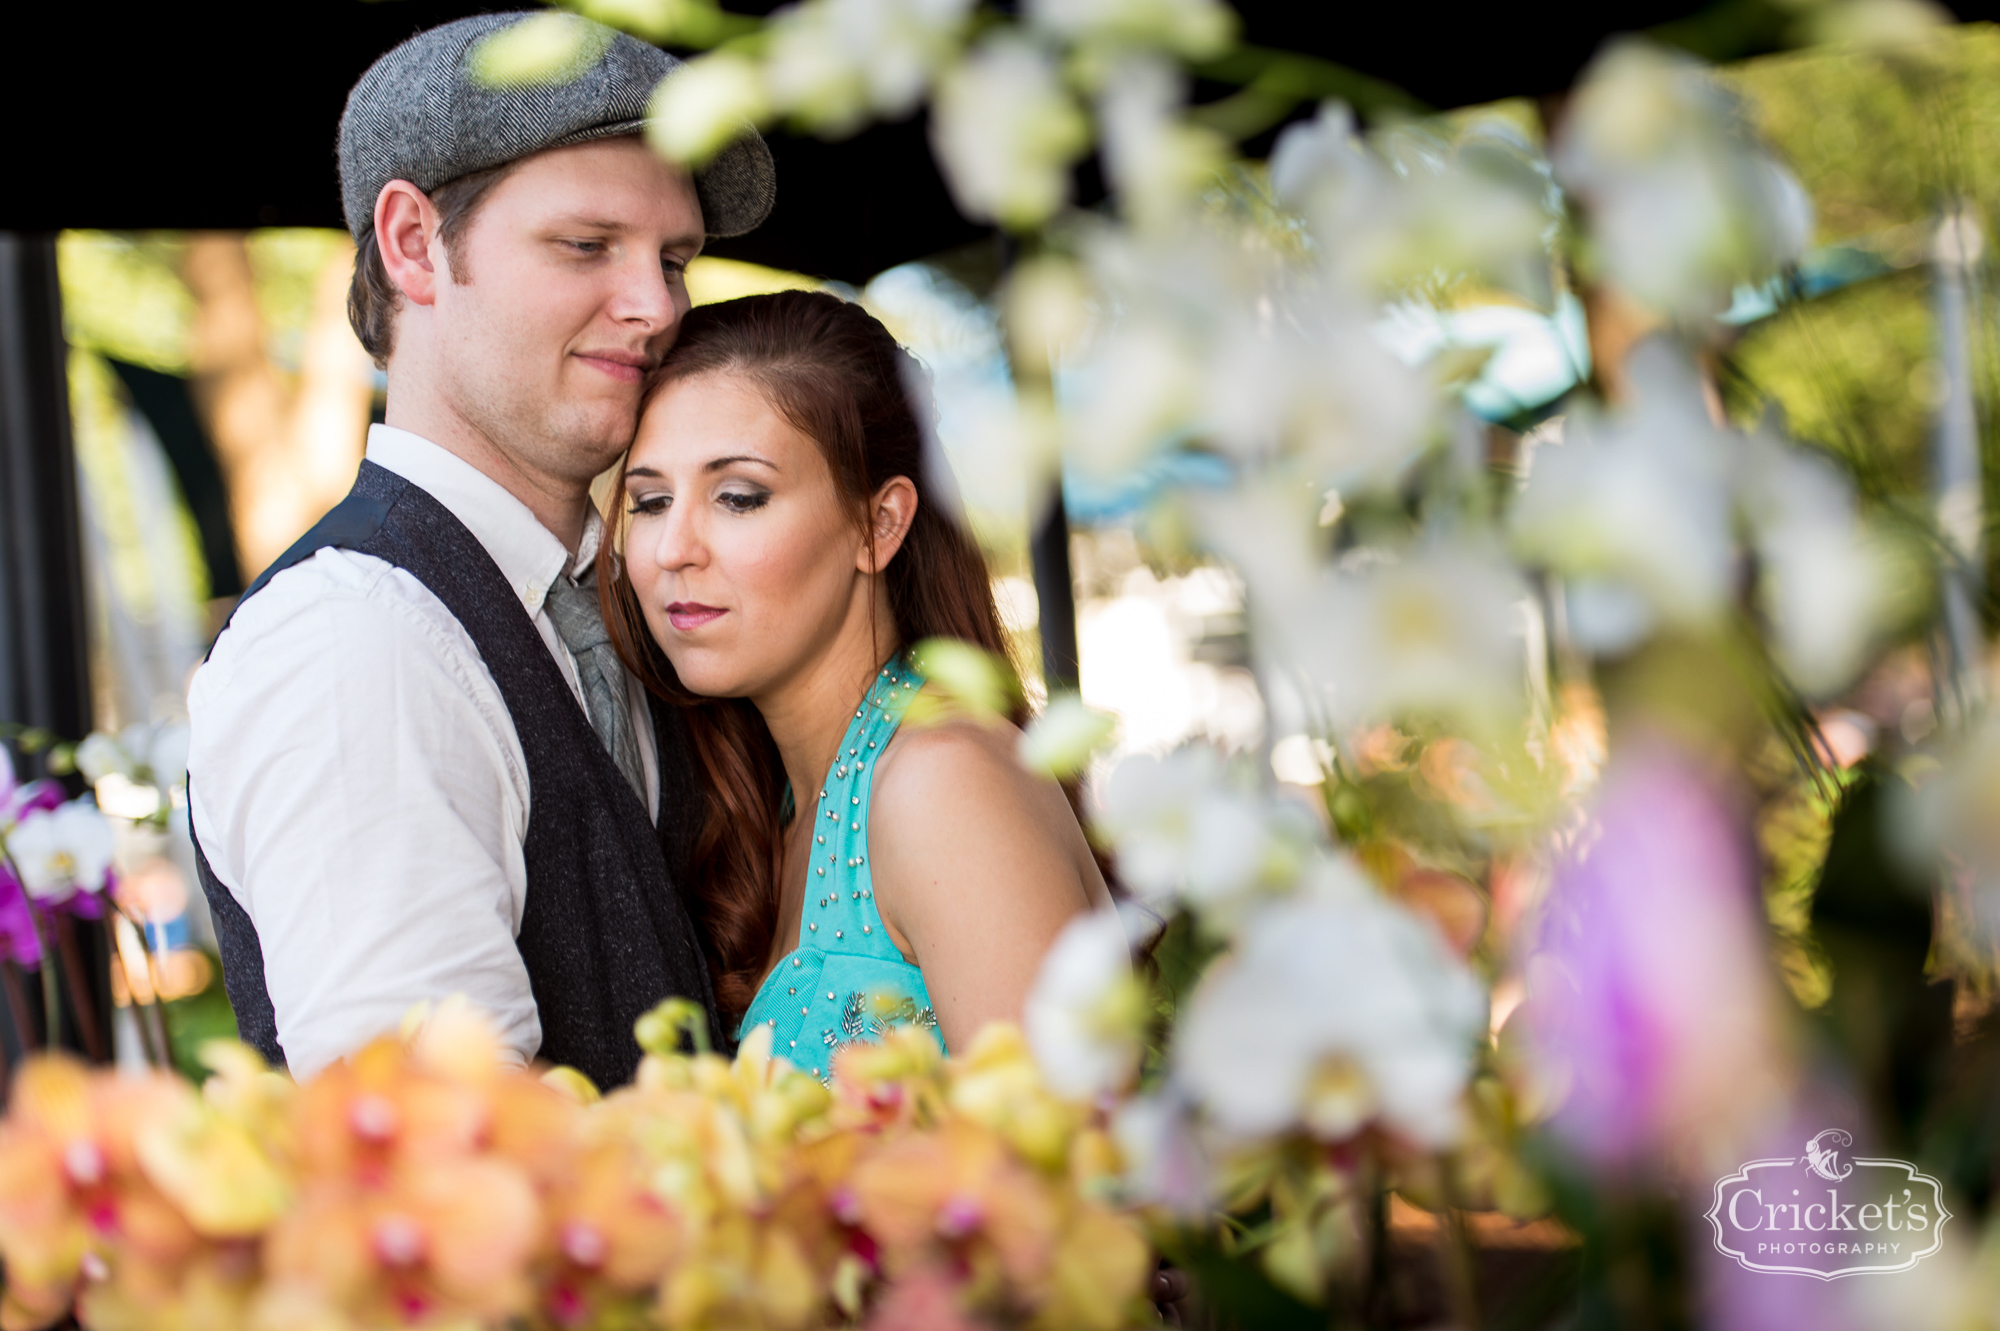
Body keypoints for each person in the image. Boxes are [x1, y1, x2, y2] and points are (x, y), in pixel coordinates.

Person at [187, 12, 776, 1090]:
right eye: (587, 245)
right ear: (414, 243)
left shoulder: (640, 605)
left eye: (676, 257)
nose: (657, 307)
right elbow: (450, 1146)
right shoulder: (352, 638)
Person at [600, 290, 1112, 1074]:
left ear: (879, 524)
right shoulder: (775, 799)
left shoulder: (943, 779)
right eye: (650, 500)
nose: (673, 548)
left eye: (738, 497)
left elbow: (1076, 1177)